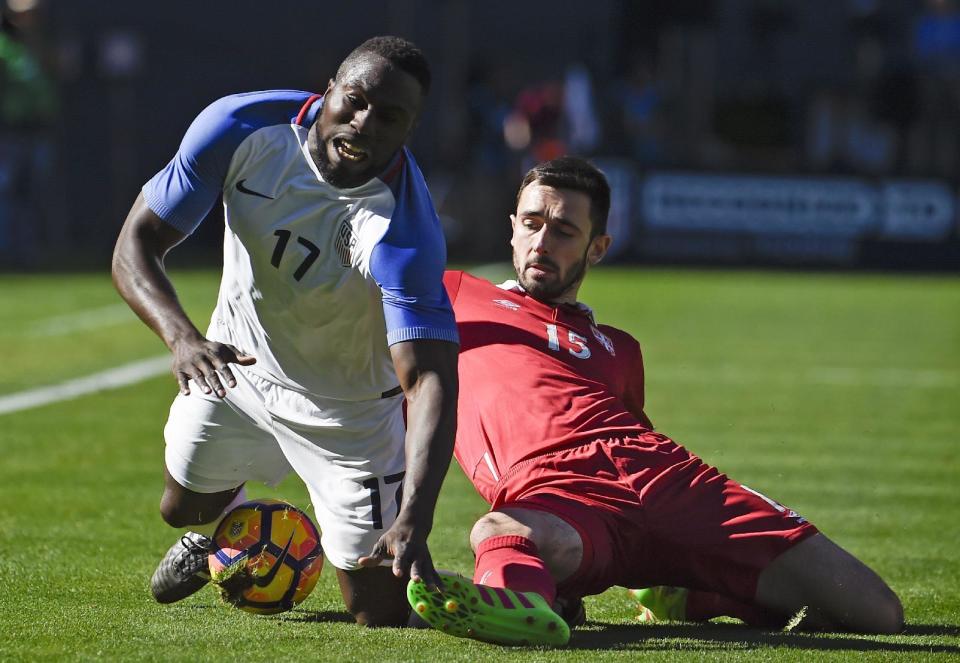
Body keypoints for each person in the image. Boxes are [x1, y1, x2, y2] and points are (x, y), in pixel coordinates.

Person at [406, 157, 903, 646]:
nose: (541, 242)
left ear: (597, 248)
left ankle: (683, 594)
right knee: (502, 528)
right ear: (512, 228)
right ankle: (517, 602)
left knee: (876, 612)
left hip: (670, 481)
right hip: (558, 498)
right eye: (532, 224)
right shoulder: (453, 296)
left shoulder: (620, 348)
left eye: (563, 231)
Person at [112, 36, 459, 627]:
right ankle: (230, 536)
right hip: (239, 368)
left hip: (347, 417)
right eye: (354, 100)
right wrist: (183, 338)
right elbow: (135, 245)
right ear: (330, 89)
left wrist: (416, 516)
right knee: (182, 508)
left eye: (391, 117)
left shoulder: (402, 231)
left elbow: (428, 378)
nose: (365, 122)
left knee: (379, 613)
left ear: (410, 129)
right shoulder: (239, 125)